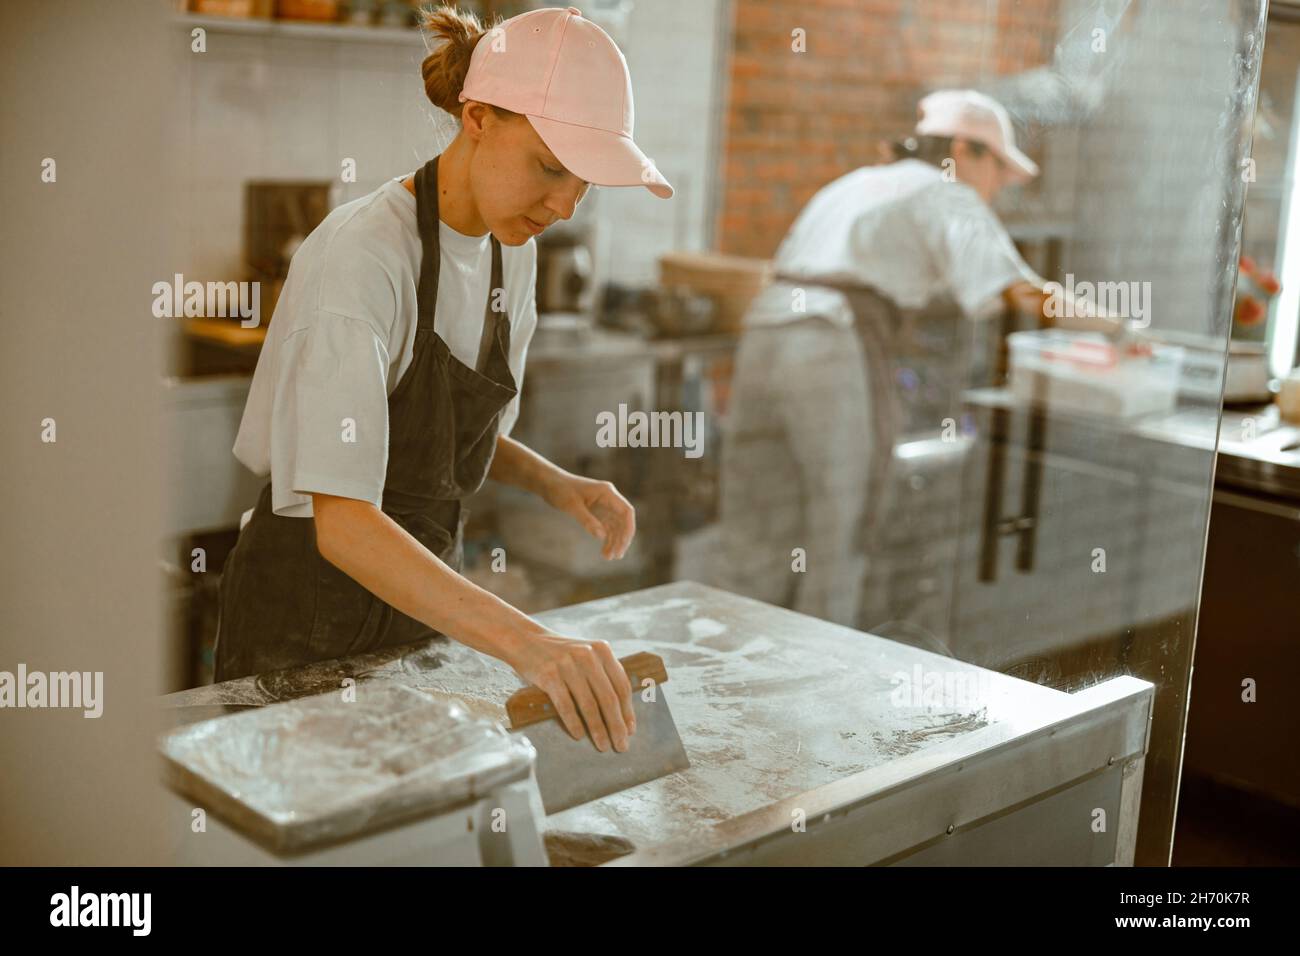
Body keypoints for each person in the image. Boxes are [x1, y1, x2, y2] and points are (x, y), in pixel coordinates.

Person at [214, 5, 673, 755]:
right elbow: (346, 522)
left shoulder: (506, 248)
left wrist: (553, 482)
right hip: (302, 629)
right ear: (478, 117)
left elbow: (436, 436)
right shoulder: (362, 259)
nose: (564, 206)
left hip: (419, 617)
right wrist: (531, 644)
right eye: (551, 167)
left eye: (584, 180)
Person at [711, 89, 1127, 629]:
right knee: (841, 530)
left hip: (764, 335)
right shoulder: (946, 192)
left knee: (754, 531)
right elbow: (1021, 293)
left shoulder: (856, 183)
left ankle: (728, 681)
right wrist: (1118, 325)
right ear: (964, 148)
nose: (998, 187)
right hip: (832, 343)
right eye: (998, 169)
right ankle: (809, 692)